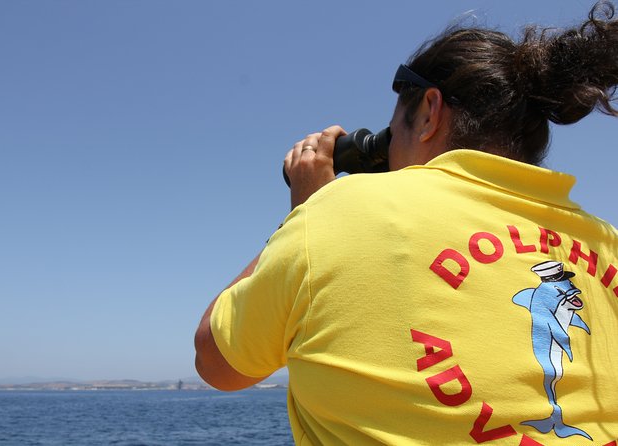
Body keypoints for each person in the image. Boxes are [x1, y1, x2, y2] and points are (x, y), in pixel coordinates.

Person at [195, 2, 618, 444]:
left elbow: (217, 363)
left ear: (431, 110)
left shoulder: (339, 210)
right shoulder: (606, 242)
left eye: (393, 129)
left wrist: (305, 213)